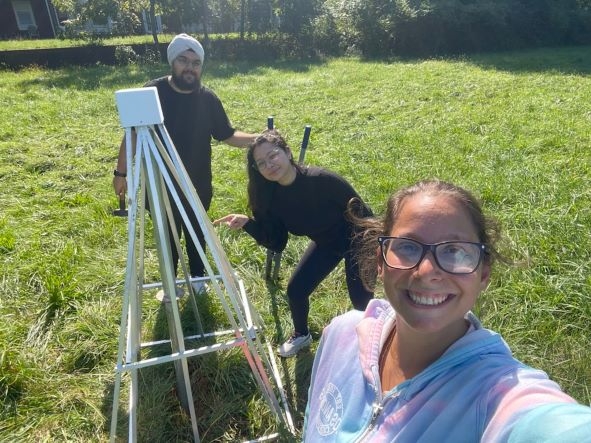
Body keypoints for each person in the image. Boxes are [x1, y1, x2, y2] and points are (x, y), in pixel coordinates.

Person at [303, 179, 591, 441]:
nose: (427, 272)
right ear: (381, 262)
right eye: (407, 247)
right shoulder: (340, 335)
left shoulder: (495, 394)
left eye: (455, 251)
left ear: (483, 274)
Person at [113, 33, 257, 298]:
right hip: (159, 181)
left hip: (197, 181)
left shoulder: (208, 99)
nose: (190, 67)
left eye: (196, 62)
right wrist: (120, 172)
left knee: (196, 230)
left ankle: (199, 277)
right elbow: (131, 133)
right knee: (167, 234)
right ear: (172, 62)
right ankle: (171, 283)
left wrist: (260, 140)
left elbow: (227, 135)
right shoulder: (151, 92)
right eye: (184, 60)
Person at [213, 129, 374, 357]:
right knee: (296, 290)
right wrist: (248, 223)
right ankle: (302, 334)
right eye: (261, 163)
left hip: (357, 241)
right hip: (325, 244)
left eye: (273, 155)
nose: (269, 164)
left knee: (361, 301)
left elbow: (365, 216)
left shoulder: (323, 180)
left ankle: (368, 344)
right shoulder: (270, 198)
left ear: (287, 152)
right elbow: (276, 242)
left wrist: (374, 252)